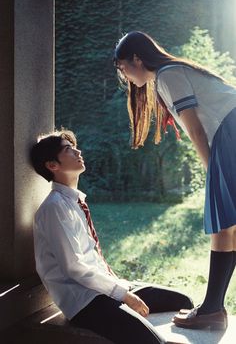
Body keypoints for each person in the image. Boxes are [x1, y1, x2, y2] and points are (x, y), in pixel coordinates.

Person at [113, 31, 236, 330]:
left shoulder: (167, 75)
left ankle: (211, 309)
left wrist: (210, 168)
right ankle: (212, 308)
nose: (124, 75)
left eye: (122, 67)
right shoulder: (169, 75)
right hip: (229, 131)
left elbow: (194, 129)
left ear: (137, 59)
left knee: (224, 222)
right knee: (226, 222)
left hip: (230, 132)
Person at [29, 130, 193, 344]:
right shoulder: (54, 208)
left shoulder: (73, 202)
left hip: (105, 287)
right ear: (53, 165)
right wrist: (124, 295)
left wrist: (120, 288)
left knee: (183, 301)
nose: (78, 151)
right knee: (152, 341)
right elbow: (74, 267)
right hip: (85, 302)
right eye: (69, 150)